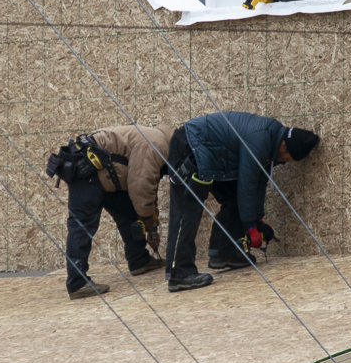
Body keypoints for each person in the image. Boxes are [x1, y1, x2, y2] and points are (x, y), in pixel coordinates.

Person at [164, 112, 320, 292]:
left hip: (211, 155)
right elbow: (247, 185)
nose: (289, 163)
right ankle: (179, 273)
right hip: (190, 145)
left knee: (234, 200)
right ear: (285, 147)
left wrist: (256, 220)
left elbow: (259, 182)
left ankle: (225, 252)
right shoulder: (261, 139)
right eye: (290, 159)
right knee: (187, 209)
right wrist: (250, 229)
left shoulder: (271, 141)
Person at [63, 124, 173, 299]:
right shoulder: (156, 144)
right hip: (87, 171)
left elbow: (149, 189)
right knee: (81, 226)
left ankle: (139, 260)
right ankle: (77, 283)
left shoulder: (160, 141)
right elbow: (141, 187)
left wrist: (151, 225)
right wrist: (148, 220)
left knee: (128, 214)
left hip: (106, 175)